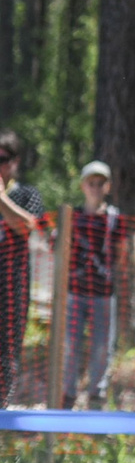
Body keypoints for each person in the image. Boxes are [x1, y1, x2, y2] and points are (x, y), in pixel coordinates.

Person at [61, 161, 125, 408]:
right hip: (75, 291)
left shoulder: (114, 218)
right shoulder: (72, 216)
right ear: (83, 186)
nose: (96, 188)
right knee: (71, 345)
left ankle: (96, 397)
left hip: (103, 293)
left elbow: (120, 253)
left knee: (101, 347)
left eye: (101, 184)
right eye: (91, 183)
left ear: (107, 187)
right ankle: (67, 394)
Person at [0, 132, 38, 405]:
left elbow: (29, 227)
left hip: (11, 288)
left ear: (15, 161)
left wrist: (1, 199)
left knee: (7, 351)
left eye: (1, 159)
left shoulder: (26, 194)